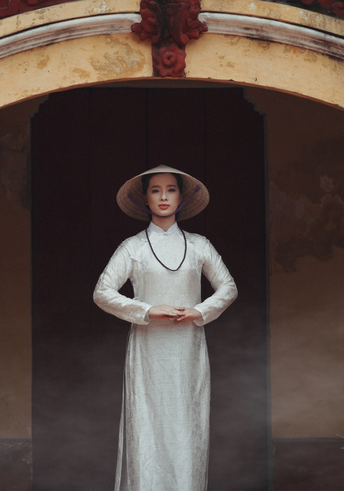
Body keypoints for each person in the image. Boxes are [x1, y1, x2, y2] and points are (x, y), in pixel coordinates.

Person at [93, 164, 238, 491]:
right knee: (147, 423)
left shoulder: (200, 245)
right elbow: (102, 292)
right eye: (155, 190)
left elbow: (228, 287)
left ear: (181, 197)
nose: (163, 196)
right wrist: (147, 309)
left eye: (170, 189)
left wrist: (198, 311)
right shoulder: (133, 247)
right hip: (148, 351)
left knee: (187, 423)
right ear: (145, 198)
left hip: (187, 349)